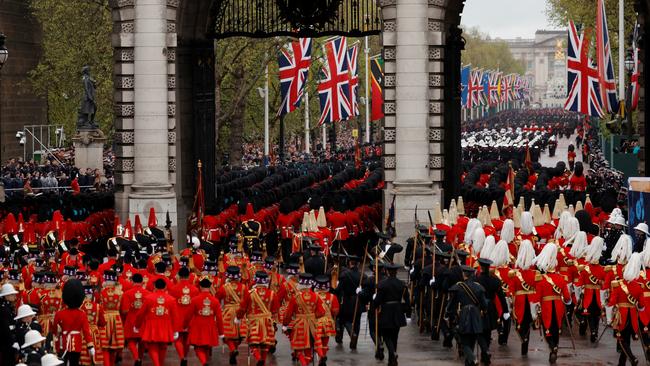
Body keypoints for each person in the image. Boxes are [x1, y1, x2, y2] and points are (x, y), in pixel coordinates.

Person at [533, 243, 571, 364]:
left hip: (546, 306)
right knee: (557, 328)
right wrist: (568, 302)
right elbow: (567, 297)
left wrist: (535, 309)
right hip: (559, 306)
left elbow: (536, 297)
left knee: (547, 329)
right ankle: (555, 347)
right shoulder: (561, 278)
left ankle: (552, 346)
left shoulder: (541, 279)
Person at [607, 252, 645, 366]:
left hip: (621, 315)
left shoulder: (618, 285)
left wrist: (607, 306)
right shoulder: (638, 287)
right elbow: (641, 305)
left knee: (622, 339)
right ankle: (621, 363)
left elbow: (612, 301)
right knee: (627, 339)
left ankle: (632, 358)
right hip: (632, 315)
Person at [446, 264, 488, 366]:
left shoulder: (458, 287)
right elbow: (484, 305)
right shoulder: (479, 287)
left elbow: (451, 305)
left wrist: (449, 314)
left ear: (464, 275)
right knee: (473, 339)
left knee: (464, 341)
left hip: (464, 314)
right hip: (476, 315)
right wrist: (483, 312)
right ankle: (469, 362)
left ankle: (472, 358)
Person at [282, 273, 326, 366]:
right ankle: (321, 355)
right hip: (312, 324)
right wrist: (313, 316)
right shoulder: (316, 296)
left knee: (298, 347)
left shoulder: (295, 297)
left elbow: (288, 314)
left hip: (300, 324)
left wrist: (285, 324)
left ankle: (304, 363)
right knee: (310, 346)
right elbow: (322, 312)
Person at [237, 271, 279, 366]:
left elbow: (242, 308)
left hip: (254, 322)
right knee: (265, 343)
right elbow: (275, 310)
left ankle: (258, 358)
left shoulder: (250, 293)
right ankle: (263, 360)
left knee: (253, 343)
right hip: (267, 321)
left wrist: (238, 317)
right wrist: (274, 322)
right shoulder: (272, 293)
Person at [135, 278, 180, 366]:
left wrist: (137, 325)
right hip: (165, 325)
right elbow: (175, 316)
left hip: (152, 325)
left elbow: (140, 314)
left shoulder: (148, 298)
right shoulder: (171, 299)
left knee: (153, 347)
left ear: (154, 286)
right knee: (163, 347)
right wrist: (175, 329)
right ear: (165, 287)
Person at [373, 263, 411, 366]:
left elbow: (377, 301)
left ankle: (393, 354)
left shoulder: (382, 284)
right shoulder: (402, 285)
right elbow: (407, 301)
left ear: (387, 271)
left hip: (386, 311)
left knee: (386, 336)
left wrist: (373, 306)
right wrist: (407, 312)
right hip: (398, 311)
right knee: (395, 336)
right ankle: (392, 360)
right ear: (396, 272)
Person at [53, 279, 94, 366]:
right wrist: (90, 346)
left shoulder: (59, 314)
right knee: (74, 363)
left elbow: (55, 331)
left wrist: (54, 345)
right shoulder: (82, 314)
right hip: (76, 343)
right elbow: (86, 331)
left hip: (62, 343)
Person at [188, 275, 224, 366]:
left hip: (198, 325)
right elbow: (219, 317)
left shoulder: (195, 300)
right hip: (210, 325)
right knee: (207, 347)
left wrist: (185, 325)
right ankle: (205, 361)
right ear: (210, 287)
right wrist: (221, 332)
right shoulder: (215, 301)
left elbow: (189, 315)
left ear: (200, 287)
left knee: (198, 347)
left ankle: (204, 362)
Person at [216, 266, 248, 365]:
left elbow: (217, 299)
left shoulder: (224, 287)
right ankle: (234, 350)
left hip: (228, 312)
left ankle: (232, 349)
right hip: (240, 312)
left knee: (227, 335)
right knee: (238, 335)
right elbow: (247, 301)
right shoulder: (243, 287)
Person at [120, 273, 149, 366]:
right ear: (142, 282)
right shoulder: (148, 293)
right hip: (143, 320)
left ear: (132, 281)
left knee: (131, 341)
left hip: (131, 319)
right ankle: (139, 358)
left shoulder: (127, 293)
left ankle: (136, 358)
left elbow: (124, 310)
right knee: (142, 341)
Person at [335, 254, 361, 349]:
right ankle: (355, 339)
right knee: (357, 321)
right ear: (357, 264)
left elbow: (338, 289)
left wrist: (334, 289)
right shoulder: (362, 276)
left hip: (347, 301)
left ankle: (350, 332)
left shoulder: (344, 275)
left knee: (344, 320)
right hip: (358, 301)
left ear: (350, 263)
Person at [314, 275, 339, 366]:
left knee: (317, 341)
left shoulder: (314, 296)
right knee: (325, 341)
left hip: (316, 321)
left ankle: (321, 356)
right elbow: (336, 311)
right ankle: (323, 356)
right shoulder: (332, 297)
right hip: (328, 321)